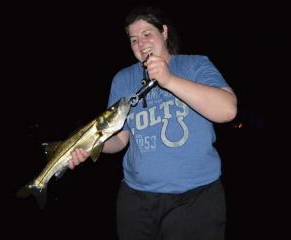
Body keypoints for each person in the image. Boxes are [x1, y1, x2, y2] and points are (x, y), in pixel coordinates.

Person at [68, 4, 237, 240]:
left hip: (196, 198)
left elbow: (227, 110)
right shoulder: (123, 79)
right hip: (136, 201)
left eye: (147, 33)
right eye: (133, 39)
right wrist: (89, 145)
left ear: (164, 32)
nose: (141, 43)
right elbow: (119, 139)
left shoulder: (195, 65)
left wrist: (168, 80)